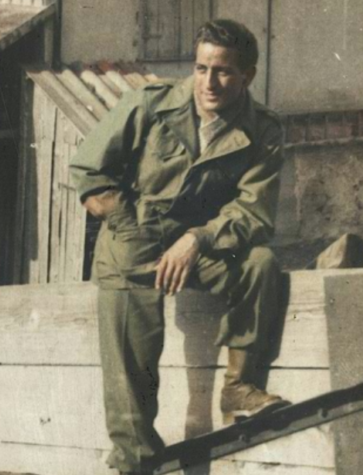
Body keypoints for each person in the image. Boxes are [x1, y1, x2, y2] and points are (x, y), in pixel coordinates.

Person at [69, 19, 289, 474]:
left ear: (247, 76)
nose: (208, 82)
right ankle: (136, 464)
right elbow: (90, 173)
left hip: (201, 247)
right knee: (132, 382)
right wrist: (128, 225)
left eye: (224, 72)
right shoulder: (149, 106)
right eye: (201, 67)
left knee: (261, 263)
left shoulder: (263, 129)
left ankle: (240, 388)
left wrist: (197, 238)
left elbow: (254, 211)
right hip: (132, 248)